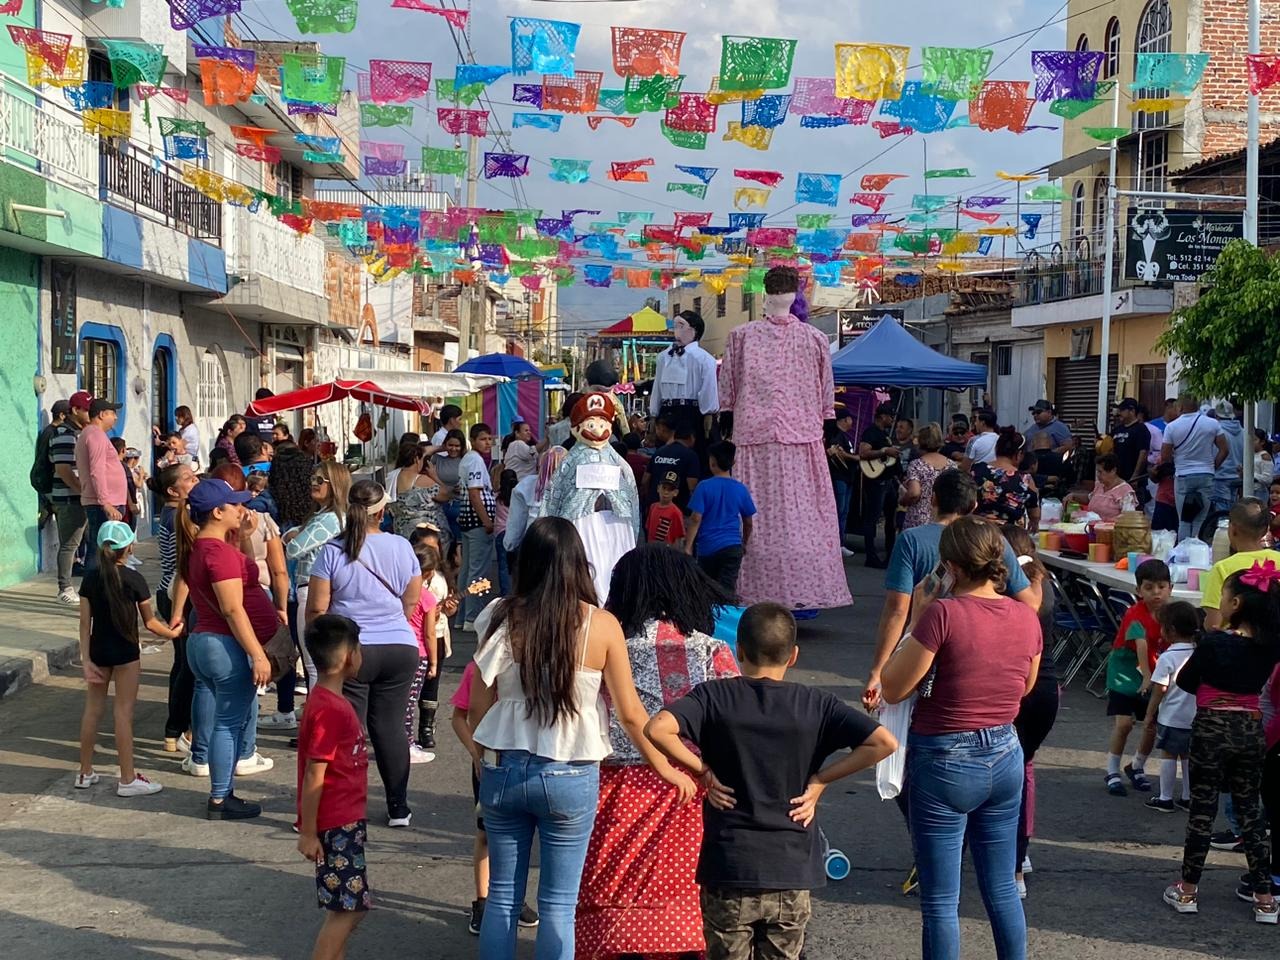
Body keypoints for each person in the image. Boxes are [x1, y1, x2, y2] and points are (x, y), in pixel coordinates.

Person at [468, 516, 694, 959]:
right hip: (570, 773)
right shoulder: (602, 625)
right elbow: (632, 715)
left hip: (504, 766)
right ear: (578, 564)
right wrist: (667, 766)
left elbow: (478, 707)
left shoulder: (498, 615)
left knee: (502, 899)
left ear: (527, 562)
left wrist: (485, 759)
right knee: (558, 904)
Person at [646, 602, 895, 960]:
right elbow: (883, 743)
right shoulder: (816, 703)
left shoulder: (714, 697)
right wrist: (821, 779)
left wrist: (702, 770)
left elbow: (658, 729)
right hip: (790, 868)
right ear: (793, 656)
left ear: (739, 650)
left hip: (729, 865)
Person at [881, 518, 1043, 960]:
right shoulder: (1025, 616)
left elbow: (893, 687)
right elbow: (1025, 686)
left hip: (945, 756)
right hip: (1005, 751)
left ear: (949, 566)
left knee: (940, 901)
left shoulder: (942, 614)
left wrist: (916, 618)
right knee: (1001, 887)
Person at [574, 544, 740, 958]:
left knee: (608, 879)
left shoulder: (607, 645)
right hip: (691, 781)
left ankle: (613, 944)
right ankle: (681, 943)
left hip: (612, 782)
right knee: (683, 879)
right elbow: (734, 723)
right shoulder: (710, 649)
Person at [718, 266, 851, 611]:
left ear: (766, 294)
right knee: (800, 519)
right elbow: (826, 394)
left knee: (755, 519)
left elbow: (727, 390)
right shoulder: (814, 339)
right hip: (795, 437)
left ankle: (754, 592)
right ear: (795, 295)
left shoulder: (742, 336)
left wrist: (726, 416)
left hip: (759, 436)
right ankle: (798, 592)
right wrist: (825, 421)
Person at [1163, 564, 1280, 923]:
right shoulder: (1269, 646)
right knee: (1251, 812)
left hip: (1212, 728)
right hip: (1250, 729)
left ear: (1235, 604)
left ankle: (1187, 890)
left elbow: (1185, 682)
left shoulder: (1213, 642)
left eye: (1225, 597)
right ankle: (1264, 899)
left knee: (1202, 808)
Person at [307, 480, 421, 829]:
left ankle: (342, 805)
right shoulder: (402, 546)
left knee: (348, 729)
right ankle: (398, 806)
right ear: (382, 512)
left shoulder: (331, 551)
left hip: (354, 650)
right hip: (401, 646)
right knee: (390, 727)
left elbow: (317, 608)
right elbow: (412, 600)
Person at [180, 477, 279, 820]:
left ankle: (224, 794)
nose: (242, 508)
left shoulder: (205, 548)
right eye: (234, 504)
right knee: (227, 723)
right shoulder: (217, 553)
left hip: (204, 643)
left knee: (228, 719)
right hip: (222, 644)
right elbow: (233, 608)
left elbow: (245, 574)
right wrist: (258, 653)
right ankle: (221, 798)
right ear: (217, 511)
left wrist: (245, 537)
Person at [75, 521, 180, 797]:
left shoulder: (90, 579)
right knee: (123, 714)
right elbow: (150, 623)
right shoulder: (135, 580)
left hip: (98, 652)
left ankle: (85, 772)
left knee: (92, 711)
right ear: (129, 547)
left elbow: (85, 623)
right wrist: (174, 632)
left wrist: (85, 659)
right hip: (126, 653)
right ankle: (127, 778)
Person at [295, 614, 373, 957]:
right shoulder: (331, 708)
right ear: (347, 657)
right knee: (348, 910)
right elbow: (316, 772)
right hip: (335, 823)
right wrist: (308, 832)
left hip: (344, 819)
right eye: (359, 647)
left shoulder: (328, 701)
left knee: (345, 906)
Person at [998, 526, 1060, 898]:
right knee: (1024, 769)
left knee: (1005, 779)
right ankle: (1021, 855)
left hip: (1016, 689)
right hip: (1048, 692)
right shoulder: (1043, 581)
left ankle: (1012, 861)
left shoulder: (1008, 590)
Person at [1103, 559, 1172, 796]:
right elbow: (1142, 645)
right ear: (1138, 590)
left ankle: (1137, 765)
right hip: (1125, 671)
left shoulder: (1170, 615)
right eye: (1149, 587)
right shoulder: (1135, 614)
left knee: (1151, 724)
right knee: (1124, 724)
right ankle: (1112, 770)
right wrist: (1147, 678)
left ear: (1170, 588)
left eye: (1161, 587)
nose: (1156, 593)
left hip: (1152, 673)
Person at [284, 461, 351, 689]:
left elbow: (294, 548)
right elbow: (292, 537)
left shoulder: (329, 518)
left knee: (314, 664)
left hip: (311, 589)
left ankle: (318, 716)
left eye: (320, 480)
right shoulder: (327, 516)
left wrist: (294, 535)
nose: (314, 484)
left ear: (334, 485)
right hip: (317, 588)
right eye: (313, 479)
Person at [149, 462, 198, 754]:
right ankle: (178, 726)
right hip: (175, 593)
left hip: (171, 592)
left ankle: (174, 728)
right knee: (187, 665)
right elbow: (184, 567)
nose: (195, 481)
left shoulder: (176, 514)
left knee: (182, 663)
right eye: (188, 479)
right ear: (172, 490)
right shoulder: (175, 517)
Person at [1143, 601, 1199, 814]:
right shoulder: (1198, 653)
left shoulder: (1167, 657)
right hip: (1194, 715)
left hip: (1171, 716)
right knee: (1187, 757)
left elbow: (1160, 689)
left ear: (1171, 630)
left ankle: (1165, 797)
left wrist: (1150, 714)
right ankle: (1187, 796)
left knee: (1168, 755)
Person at [685, 441, 757, 597]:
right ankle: (726, 619)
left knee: (706, 589)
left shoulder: (704, 486)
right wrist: (744, 542)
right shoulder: (741, 489)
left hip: (708, 546)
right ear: (733, 462)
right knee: (727, 589)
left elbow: (696, 518)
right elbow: (748, 522)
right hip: (732, 545)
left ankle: (708, 619)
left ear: (712, 462)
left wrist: (688, 545)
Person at [1200, 497, 1280, 630]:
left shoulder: (1222, 569)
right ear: (1266, 530)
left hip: (1236, 647)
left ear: (1232, 529)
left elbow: (1213, 625)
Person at [650, 309, 719, 457]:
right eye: (675, 326)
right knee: (665, 455)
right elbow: (657, 387)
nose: (677, 330)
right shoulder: (664, 357)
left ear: (694, 330)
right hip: (666, 411)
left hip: (690, 413)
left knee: (690, 455)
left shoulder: (704, 359)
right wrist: (653, 413)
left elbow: (708, 389)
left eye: (681, 326)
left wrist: (708, 414)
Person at [1160, 396, 1229, 541]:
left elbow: (1165, 455)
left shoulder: (1172, 427)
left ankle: (1183, 554)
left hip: (1183, 475)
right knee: (1200, 519)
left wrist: (1177, 463)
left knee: (1184, 520)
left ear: (1180, 407)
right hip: (1206, 474)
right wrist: (1212, 466)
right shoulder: (1212, 424)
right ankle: (1197, 551)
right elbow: (1224, 450)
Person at [76, 398, 126, 574]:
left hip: (106, 501)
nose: (115, 418)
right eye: (112, 413)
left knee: (103, 549)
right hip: (103, 503)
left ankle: (100, 590)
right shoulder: (95, 435)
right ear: (102, 414)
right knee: (100, 549)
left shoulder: (94, 434)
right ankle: (94, 593)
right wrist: (106, 503)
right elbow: (96, 470)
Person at [49, 392, 91, 603]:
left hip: (79, 497)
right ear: (75, 411)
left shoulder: (79, 432)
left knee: (86, 542)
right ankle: (64, 588)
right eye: (87, 410)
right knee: (69, 544)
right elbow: (64, 470)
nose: (91, 414)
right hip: (69, 499)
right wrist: (83, 492)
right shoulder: (65, 433)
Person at [403, 541, 441, 764]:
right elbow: (429, 634)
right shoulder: (427, 598)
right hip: (418, 654)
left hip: (397, 648)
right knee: (409, 702)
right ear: (429, 573)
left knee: (396, 701)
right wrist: (434, 662)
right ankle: (407, 744)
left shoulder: (398, 590)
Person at [457, 423, 497, 631]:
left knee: (467, 569)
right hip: (477, 522)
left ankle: (462, 615)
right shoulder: (474, 461)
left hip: (469, 521)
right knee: (478, 570)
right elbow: (474, 493)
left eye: (490, 439)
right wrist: (486, 521)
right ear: (472, 441)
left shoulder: (471, 460)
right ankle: (473, 616)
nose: (487, 442)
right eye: (483, 439)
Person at [972, 428, 1041, 530]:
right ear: (1019, 454)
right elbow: (1034, 514)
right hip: (1010, 535)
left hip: (979, 531)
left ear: (996, 450)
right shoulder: (1025, 479)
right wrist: (1034, 523)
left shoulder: (976, 469)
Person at [858, 403, 901, 569]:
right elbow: (863, 452)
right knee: (873, 517)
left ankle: (889, 554)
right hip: (877, 481)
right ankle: (871, 555)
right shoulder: (871, 432)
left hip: (888, 480)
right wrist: (884, 451)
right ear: (882, 416)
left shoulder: (884, 434)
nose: (892, 419)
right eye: (890, 416)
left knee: (891, 518)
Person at [505, 446, 567, 556]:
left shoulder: (526, 485)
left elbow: (516, 524)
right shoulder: (577, 486)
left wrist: (510, 546)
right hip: (567, 548)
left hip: (534, 547)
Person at [643, 415, 699, 511]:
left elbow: (645, 480)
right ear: (691, 437)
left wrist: (646, 501)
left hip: (655, 507)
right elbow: (692, 487)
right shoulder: (691, 456)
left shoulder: (658, 452)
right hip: (678, 509)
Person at [901, 423, 951, 532]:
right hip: (944, 518)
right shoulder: (951, 465)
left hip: (919, 519)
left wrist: (903, 500)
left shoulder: (917, 464)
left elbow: (914, 493)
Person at [825, 409, 858, 557]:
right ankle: (837, 542)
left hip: (847, 478)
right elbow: (836, 453)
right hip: (840, 478)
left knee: (844, 511)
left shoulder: (845, 437)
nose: (852, 421)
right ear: (843, 420)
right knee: (840, 510)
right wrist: (853, 457)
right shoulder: (836, 436)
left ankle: (840, 541)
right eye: (849, 418)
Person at [1065, 454, 1135, 522]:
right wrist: (1074, 496)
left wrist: (1105, 522)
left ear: (1113, 471)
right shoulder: (1100, 485)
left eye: (1100, 472)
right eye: (1097, 471)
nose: (1098, 475)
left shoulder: (1126, 492)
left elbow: (1128, 518)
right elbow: (1091, 498)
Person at [1212, 401, 1246, 513]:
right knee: (1233, 511)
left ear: (1217, 415)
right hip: (1237, 476)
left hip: (1220, 477)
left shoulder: (1217, 431)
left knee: (1221, 514)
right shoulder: (1243, 432)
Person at [1109, 398, 1151, 487]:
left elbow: (1143, 453)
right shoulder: (1116, 430)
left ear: (1132, 411)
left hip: (1133, 480)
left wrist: (1135, 476)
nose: (1119, 413)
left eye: (1122, 410)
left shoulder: (1141, 429)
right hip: (1117, 478)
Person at [492, 469, 518, 596]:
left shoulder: (497, 496)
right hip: (516, 532)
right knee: (518, 565)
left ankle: (505, 595)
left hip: (501, 532)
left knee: (503, 566)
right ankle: (518, 591)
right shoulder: (518, 495)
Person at [645, 472, 687, 547]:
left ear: (675, 493)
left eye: (670, 489)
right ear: (658, 488)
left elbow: (678, 537)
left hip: (667, 553)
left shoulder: (676, 512)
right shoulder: (653, 507)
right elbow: (649, 530)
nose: (666, 492)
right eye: (664, 488)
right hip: (651, 549)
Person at [175, 405, 204, 472]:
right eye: (176, 416)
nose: (176, 418)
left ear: (185, 416)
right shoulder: (184, 429)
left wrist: (162, 443)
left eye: (178, 416)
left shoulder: (190, 430)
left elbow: (178, 445)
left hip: (189, 461)